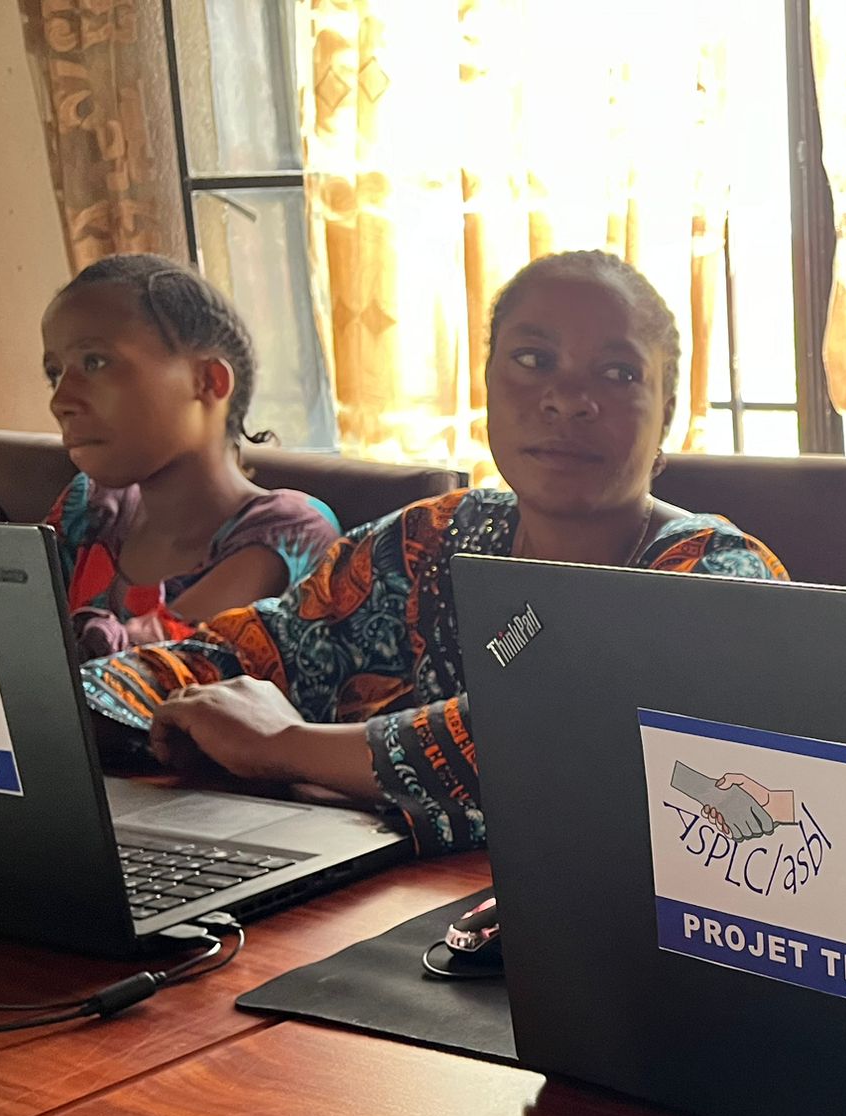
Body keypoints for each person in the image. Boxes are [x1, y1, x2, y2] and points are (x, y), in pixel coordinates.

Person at [82, 250, 786, 855]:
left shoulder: (713, 576)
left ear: (667, 415)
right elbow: (242, 652)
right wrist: (88, 710)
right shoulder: (429, 545)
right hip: (389, 920)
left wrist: (283, 746)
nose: (568, 399)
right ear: (487, 388)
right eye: (533, 360)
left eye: (619, 373)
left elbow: (571, 740)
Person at [39, 255, 341, 657]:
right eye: (55, 374)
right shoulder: (89, 508)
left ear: (208, 381)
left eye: (94, 362)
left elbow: (160, 663)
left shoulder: (288, 532)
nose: (60, 401)